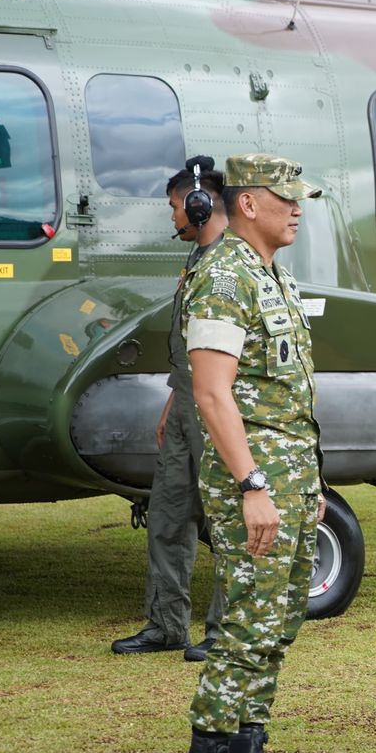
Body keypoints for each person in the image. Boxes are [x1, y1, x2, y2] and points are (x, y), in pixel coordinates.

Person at [167, 154, 327, 753]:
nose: (298, 208)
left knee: (278, 619)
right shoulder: (223, 277)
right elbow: (211, 391)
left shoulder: (270, 275)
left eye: (302, 197)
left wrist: (309, 483)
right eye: (285, 197)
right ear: (249, 205)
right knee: (244, 625)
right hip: (254, 480)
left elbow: (288, 394)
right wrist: (252, 483)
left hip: (290, 478)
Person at [113, 158, 230, 659]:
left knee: (226, 519)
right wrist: (173, 399)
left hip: (217, 409)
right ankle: (167, 625)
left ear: (199, 204)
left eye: (175, 207)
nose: (172, 217)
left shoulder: (230, 267)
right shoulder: (198, 261)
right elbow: (191, 344)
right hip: (186, 403)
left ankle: (227, 631)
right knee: (167, 516)